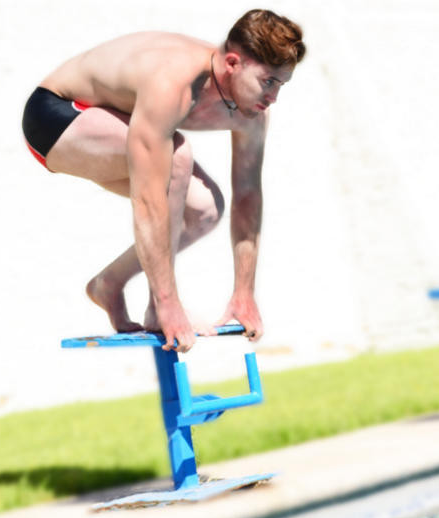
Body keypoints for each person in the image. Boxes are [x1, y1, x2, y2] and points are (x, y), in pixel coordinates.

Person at [22, 9, 305, 352]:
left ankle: (109, 283)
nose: (273, 97)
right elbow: (149, 199)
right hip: (57, 113)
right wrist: (167, 303)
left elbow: (248, 196)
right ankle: (159, 304)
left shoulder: (253, 114)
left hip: (112, 120)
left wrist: (243, 293)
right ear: (232, 63)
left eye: (281, 84)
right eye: (268, 82)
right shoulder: (172, 83)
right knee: (176, 158)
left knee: (206, 209)